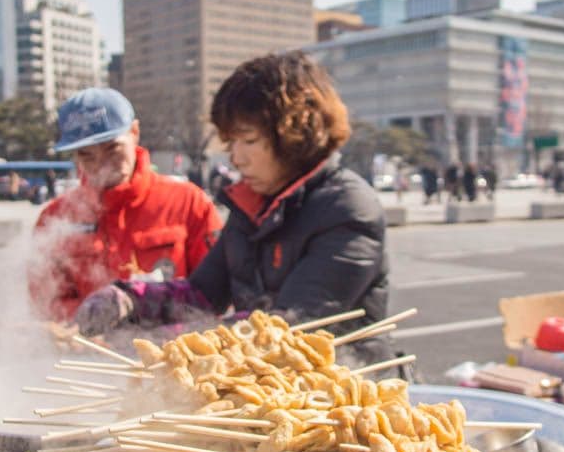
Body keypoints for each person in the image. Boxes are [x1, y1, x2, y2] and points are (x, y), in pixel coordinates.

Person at [73, 51, 391, 363]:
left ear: (296, 135)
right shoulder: (251, 207)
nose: (236, 158)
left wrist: (166, 345)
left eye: (248, 141)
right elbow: (201, 295)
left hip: (348, 393)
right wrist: (130, 299)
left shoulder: (347, 208)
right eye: (230, 144)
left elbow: (285, 328)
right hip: (269, 395)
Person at [28, 87, 223, 322]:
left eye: (113, 149)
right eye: (87, 155)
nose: (102, 165)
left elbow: (215, 290)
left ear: (134, 132)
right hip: (88, 351)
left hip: (173, 351)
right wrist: (83, 321)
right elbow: (45, 298)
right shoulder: (56, 217)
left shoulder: (189, 202)